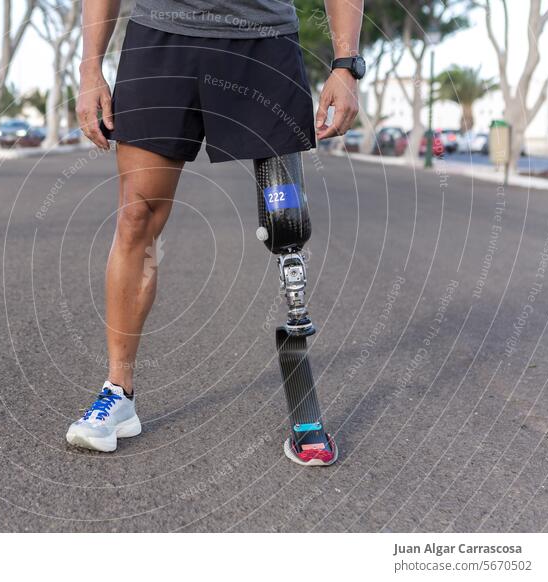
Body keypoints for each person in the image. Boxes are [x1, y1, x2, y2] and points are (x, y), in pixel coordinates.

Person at [67, 0, 363, 452]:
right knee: (135, 218)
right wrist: (91, 69)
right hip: (160, 38)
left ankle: (304, 402)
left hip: (263, 42)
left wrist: (346, 66)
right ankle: (118, 393)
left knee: (285, 223)